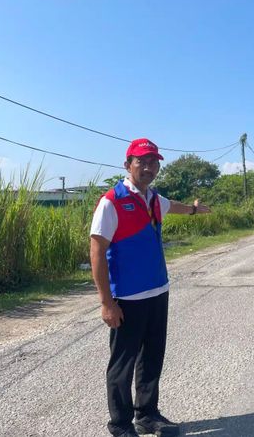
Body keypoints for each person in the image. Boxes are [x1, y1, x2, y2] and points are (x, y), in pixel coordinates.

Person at [90, 138, 211, 437]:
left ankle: (147, 415)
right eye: (141, 161)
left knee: (152, 357)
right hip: (127, 297)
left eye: (153, 162)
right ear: (127, 164)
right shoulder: (112, 201)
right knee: (122, 364)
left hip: (158, 291)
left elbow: (175, 207)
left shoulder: (154, 199)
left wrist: (194, 210)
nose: (148, 167)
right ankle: (120, 424)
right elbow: (97, 251)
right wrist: (106, 302)